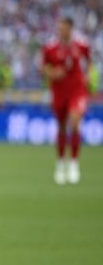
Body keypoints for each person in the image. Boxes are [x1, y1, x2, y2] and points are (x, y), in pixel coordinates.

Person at [41, 17, 91, 185]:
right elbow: (44, 68)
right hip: (59, 91)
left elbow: (89, 63)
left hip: (77, 90)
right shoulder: (50, 47)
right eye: (59, 28)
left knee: (75, 122)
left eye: (63, 28)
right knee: (61, 126)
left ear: (70, 29)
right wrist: (53, 74)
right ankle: (61, 163)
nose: (60, 31)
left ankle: (74, 164)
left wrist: (88, 77)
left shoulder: (82, 45)